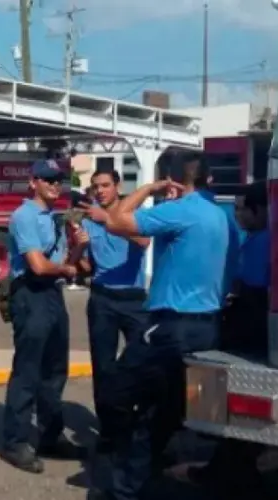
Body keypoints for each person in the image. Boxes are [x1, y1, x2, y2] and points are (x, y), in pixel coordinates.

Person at [86, 153, 230, 500]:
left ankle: (124, 462)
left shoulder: (180, 211)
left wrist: (149, 188)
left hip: (171, 327)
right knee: (161, 409)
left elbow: (117, 221)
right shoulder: (222, 217)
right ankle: (131, 485)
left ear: (174, 181)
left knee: (115, 392)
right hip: (208, 328)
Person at [165, 180, 271, 498]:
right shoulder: (260, 238)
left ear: (259, 210)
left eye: (240, 209)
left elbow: (248, 288)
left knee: (228, 411)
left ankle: (223, 473)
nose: (236, 215)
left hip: (249, 333)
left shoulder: (260, 242)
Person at [0, 158, 85, 474]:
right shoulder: (25, 216)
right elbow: (37, 265)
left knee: (54, 370)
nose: (54, 184)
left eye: (58, 179)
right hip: (31, 294)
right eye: (48, 179)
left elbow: (64, 262)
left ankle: (50, 436)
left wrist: (78, 248)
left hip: (52, 293)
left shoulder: (53, 218)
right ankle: (14, 442)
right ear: (33, 182)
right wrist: (67, 266)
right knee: (28, 371)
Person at [72, 168, 150, 455]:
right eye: (96, 187)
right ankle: (109, 432)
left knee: (142, 366)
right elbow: (85, 268)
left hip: (134, 300)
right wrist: (79, 249)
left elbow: (144, 242)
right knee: (103, 368)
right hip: (102, 299)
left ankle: (140, 429)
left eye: (105, 185)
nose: (101, 191)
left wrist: (109, 221)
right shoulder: (89, 220)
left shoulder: (131, 215)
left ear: (118, 186)